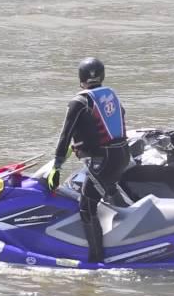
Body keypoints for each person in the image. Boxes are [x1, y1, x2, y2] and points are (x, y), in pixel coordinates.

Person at [47, 57, 130, 263]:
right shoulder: (111, 95)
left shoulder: (79, 101)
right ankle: (124, 243)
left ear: (81, 78)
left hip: (104, 160)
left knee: (87, 206)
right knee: (108, 192)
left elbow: (65, 135)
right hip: (122, 155)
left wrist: (56, 167)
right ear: (102, 76)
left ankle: (96, 261)